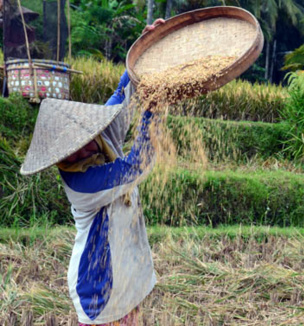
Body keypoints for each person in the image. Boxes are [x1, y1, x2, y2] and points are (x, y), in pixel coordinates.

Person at [20, 19, 165, 326]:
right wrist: (155, 106)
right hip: (99, 285)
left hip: (128, 268)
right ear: (61, 159)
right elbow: (137, 165)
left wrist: (145, 46)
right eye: (72, 152)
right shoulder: (81, 183)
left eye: (82, 142)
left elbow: (123, 91)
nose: (85, 150)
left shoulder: (98, 134)